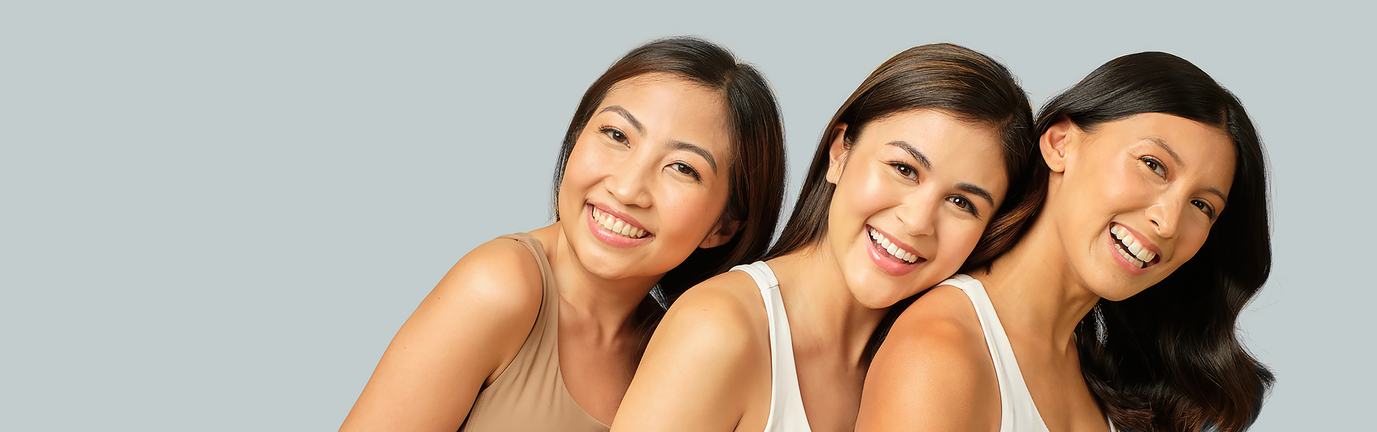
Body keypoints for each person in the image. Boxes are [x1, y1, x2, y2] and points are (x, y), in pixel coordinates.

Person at [337, 37, 786, 432]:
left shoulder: (685, 349)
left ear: (724, 227)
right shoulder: (500, 286)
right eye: (616, 134)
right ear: (576, 140)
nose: (627, 189)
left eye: (682, 168)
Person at [611, 43, 1034, 432]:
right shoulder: (719, 328)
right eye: (904, 169)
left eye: (961, 202)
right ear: (840, 153)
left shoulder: (932, 370)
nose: (919, 221)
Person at [857, 52, 1274, 432]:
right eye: (1153, 165)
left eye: (1201, 205)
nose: (1167, 222)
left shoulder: (1099, 372)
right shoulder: (940, 352)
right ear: (1060, 144)